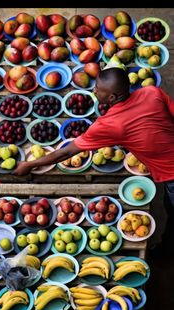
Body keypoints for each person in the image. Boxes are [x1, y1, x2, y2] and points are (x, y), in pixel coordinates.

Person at [13, 67, 174, 206]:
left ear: (112, 97)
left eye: (97, 88)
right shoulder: (152, 91)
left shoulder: (110, 124)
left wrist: (29, 164)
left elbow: (66, 152)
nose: (94, 90)